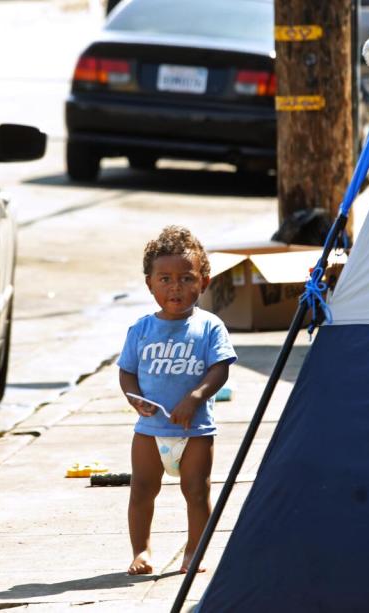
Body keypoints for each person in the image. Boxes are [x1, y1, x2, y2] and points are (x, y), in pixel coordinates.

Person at [117, 225, 236, 576]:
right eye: (165, 278)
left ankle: (194, 552)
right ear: (149, 283)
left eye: (186, 278)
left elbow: (220, 370)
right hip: (150, 431)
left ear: (204, 281)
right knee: (141, 490)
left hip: (195, 430)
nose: (175, 287)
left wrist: (196, 396)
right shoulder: (140, 329)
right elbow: (127, 373)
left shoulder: (209, 327)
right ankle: (141, 550)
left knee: (197, 492)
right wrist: (134, 399)